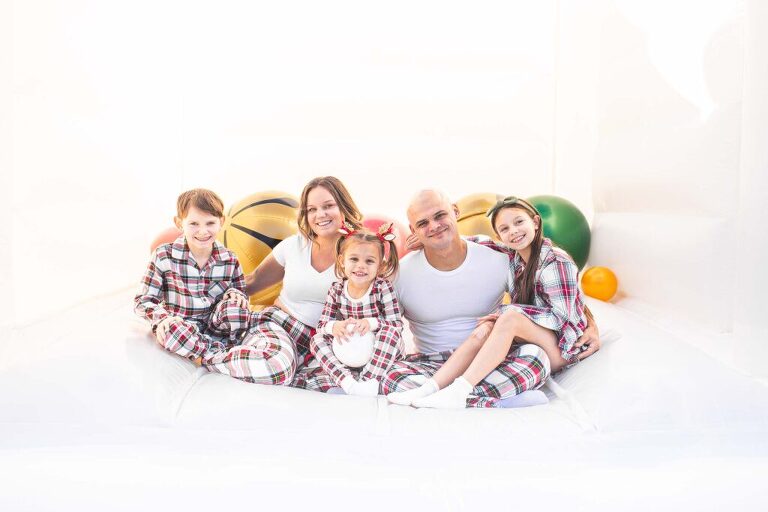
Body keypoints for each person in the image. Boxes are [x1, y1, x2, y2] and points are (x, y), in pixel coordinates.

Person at [383, 190, 600, 408]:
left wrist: (591, 324)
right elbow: (381, 321)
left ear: (455, 212)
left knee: (535, 358)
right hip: (432, 364)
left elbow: (563, 300)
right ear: (413, 230)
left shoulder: (502, 259)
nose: (434, 226)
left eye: (440, 216)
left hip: (492, 360)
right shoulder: (401, 273)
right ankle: (500, 399)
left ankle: (449, 395)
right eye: (423, 224)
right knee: (393, 377)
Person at [221, 176, 364, 385]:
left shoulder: (362, 254)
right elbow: (251, 283)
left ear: (343, 207)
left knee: (342, 384)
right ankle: (211, 354)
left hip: (325, 342)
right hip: (281, 325)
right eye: (311, 209)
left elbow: (383, 296)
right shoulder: (294, 246)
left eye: (328, 206)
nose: (320, 215)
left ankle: (297, 370)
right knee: (276, 370)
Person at [134, 189, 251, 366]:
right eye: (194, 223)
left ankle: (224, 348)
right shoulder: (164, 255)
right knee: (170, 331)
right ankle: (216, 357)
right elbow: (143, 300)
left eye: (210, 223)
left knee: (238, 310)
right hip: (181, 325)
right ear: (179, 223)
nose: (202, 231)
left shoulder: (230, 259)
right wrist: (162, 318)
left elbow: (241, 291)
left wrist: (236, 294)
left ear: (222, 222)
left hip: (216, 326)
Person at [297, 223, 404, 396]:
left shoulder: (382, 288)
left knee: (391, 334)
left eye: (369, 261)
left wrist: (371, 323)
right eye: (354, 259)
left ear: (380, 266)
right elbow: (322, 324)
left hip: (378, 352)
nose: (361, 266)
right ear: (341, 261)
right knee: (316, 340)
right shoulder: (337, 290)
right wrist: (335, 326)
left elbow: (396, 324)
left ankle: (368, 380)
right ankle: (347, 381)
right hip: (349, 351)